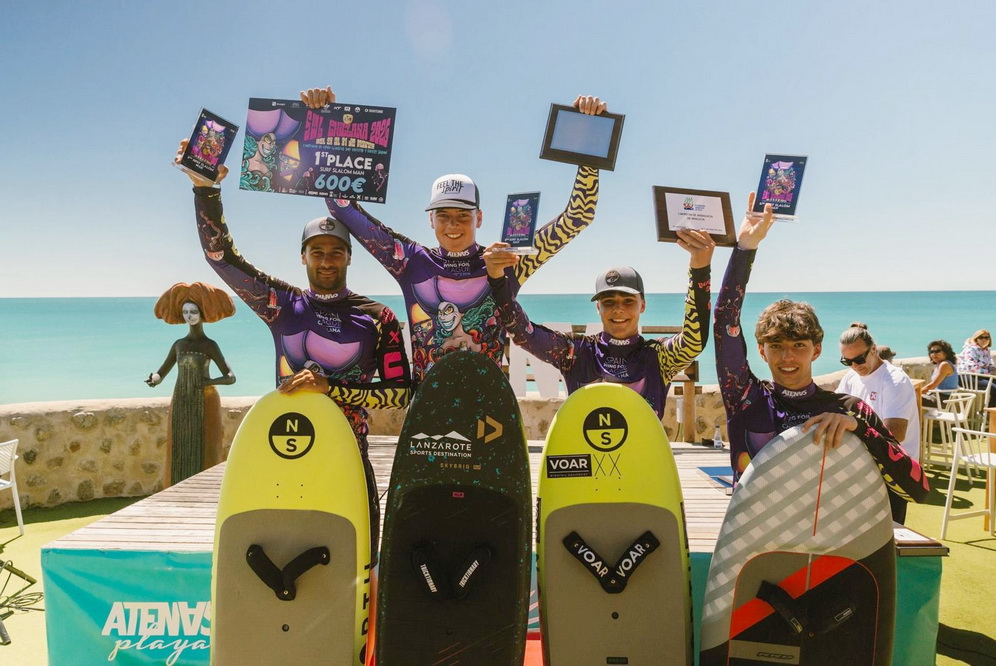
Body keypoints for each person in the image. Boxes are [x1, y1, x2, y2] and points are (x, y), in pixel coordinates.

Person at [175, 140, 412, 559]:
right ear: (303, 256)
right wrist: (204, 189)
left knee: (361, 562)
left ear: (349, 258)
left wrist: (334, 389)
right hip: (284, 454)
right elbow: (221, 256)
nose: (326, 260)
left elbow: (401, 393)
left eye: (335, 252)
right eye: (317, 252)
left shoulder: (378, 318)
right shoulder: (281, 306)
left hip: (348, 457)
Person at [301, 85, 606, 383]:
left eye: (463, 215)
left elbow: (579, 216)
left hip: (488, 413)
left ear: (480, 218)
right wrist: (327, 121)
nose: (453, 225)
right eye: (443, 216)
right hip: (426, 413)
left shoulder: (507, 260)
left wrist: (586, 135)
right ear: (430, 220)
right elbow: (343, 209)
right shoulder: (409, 261)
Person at [714, 193, 929, 521]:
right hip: (756, 548)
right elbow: (724, 321)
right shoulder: (747, 399)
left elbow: (918, 488)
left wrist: (859, 429)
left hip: (831, 554)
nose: (788, 356)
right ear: (761, 351)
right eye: (776, 346)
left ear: (816, 349)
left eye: (799, 345)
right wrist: (745, 248)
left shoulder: (849, 409)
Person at [482, 230, 715, 419]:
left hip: (644, 466)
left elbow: (694, 341)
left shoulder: (658, 357)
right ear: (598, 307)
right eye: (609, 301)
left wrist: (700, 267)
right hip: (588, 470)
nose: (618, 309)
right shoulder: (576, 352)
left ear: (642, 305)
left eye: (628, 301)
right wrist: (496, 279)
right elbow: (524, 334)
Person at [146, 282, 236, 486]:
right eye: (185, 311)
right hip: (181, 400)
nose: (189, 315)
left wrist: (209, 382)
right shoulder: (179, 345)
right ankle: (176, 489)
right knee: (179, 445)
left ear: (202, 312)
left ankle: (204, 488)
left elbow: (230, 377)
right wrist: (154, 379)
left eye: (193, 311)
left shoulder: (209, 345)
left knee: (205, 446)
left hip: (205, 401)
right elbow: (163, 371)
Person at [835, 323, 921, 522]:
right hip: (862, 468)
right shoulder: (851, 377)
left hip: (892, 473)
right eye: (847, 361)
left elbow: (895, 435)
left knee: (890, 537)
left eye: (859, 359)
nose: (855, 366)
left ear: (873, 349)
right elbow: (834, 408)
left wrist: (853, 425)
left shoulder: (895, 381)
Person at [957, 329, 996, 406]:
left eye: (986, 338)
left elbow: (989, 365)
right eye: (981, 337)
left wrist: (995, 370)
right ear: (976, 339)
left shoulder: (986, 351)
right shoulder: (971, 349)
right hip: (967, 378)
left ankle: (990, 413)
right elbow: (971, 367)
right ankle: (988, 413)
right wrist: (989, 372)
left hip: (980, 377)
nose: (984, 340)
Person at [920, 340, 959, 406]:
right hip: (939, 397)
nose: (934, 354)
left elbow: (932, 385)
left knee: (910, 399)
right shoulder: (941, 364)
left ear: (946, 353)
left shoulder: (944, 365)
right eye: (931, 352)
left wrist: (915, 392)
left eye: (937, 351)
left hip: (941, 400)